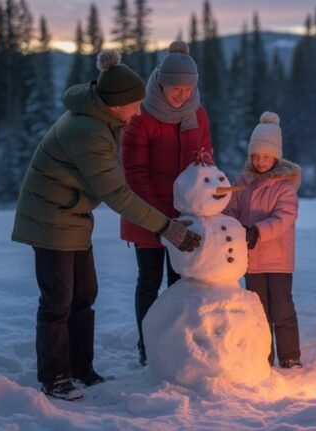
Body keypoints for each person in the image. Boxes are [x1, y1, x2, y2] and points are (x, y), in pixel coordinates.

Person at [11, 50, 201, 401]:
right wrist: (167, 227)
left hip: (72, 216)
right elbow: (116, 193)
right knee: (57, 301)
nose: (140, 110)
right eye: (136, 104)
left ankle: (82, 368)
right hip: (50, 219)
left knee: (84, 295)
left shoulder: (101, 120)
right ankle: (55, 377)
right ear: (117, 105)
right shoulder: (88, 131)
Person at [120, 40, 213, 367]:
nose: (182, 94)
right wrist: (159, 219)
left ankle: (174, 345)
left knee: (180, 280)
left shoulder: (198, 115)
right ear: (161, 82)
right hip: (147, 215)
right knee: (149, 281)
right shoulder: (142, 116)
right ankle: (148, 347)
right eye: (176, 87)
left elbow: (205, 161)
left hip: (184, 216)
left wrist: (203, 200)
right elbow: (134, 172)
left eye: (188, 88)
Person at [225, 111, 302, 368]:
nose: (260, 161)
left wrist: (256, 231)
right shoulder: (242, 183)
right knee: (259, 314)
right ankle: (262, 358)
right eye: (255, 156)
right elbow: (230, 210)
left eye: (266, 156)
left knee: (282, 311)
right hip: (252, 262)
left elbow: (284, 218)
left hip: (278, 261)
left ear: (276, 157)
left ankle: (290, 357)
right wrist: (233, 229)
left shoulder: (285, 187)